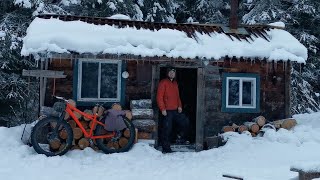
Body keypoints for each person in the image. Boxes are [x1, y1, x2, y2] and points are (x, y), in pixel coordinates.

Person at [157, 67, 190, 153]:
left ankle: (180, 138)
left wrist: (180, 106)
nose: (172, 74)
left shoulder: (175, 83)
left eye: (173, 73)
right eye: (170, 72)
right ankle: (166, 148)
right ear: (167, 73)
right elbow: (159, 97)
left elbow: (177, 96)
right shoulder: (163, 82)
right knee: (167, 129)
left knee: (185, 122)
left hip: (175, 110)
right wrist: (162, 109)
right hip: (167, 111)